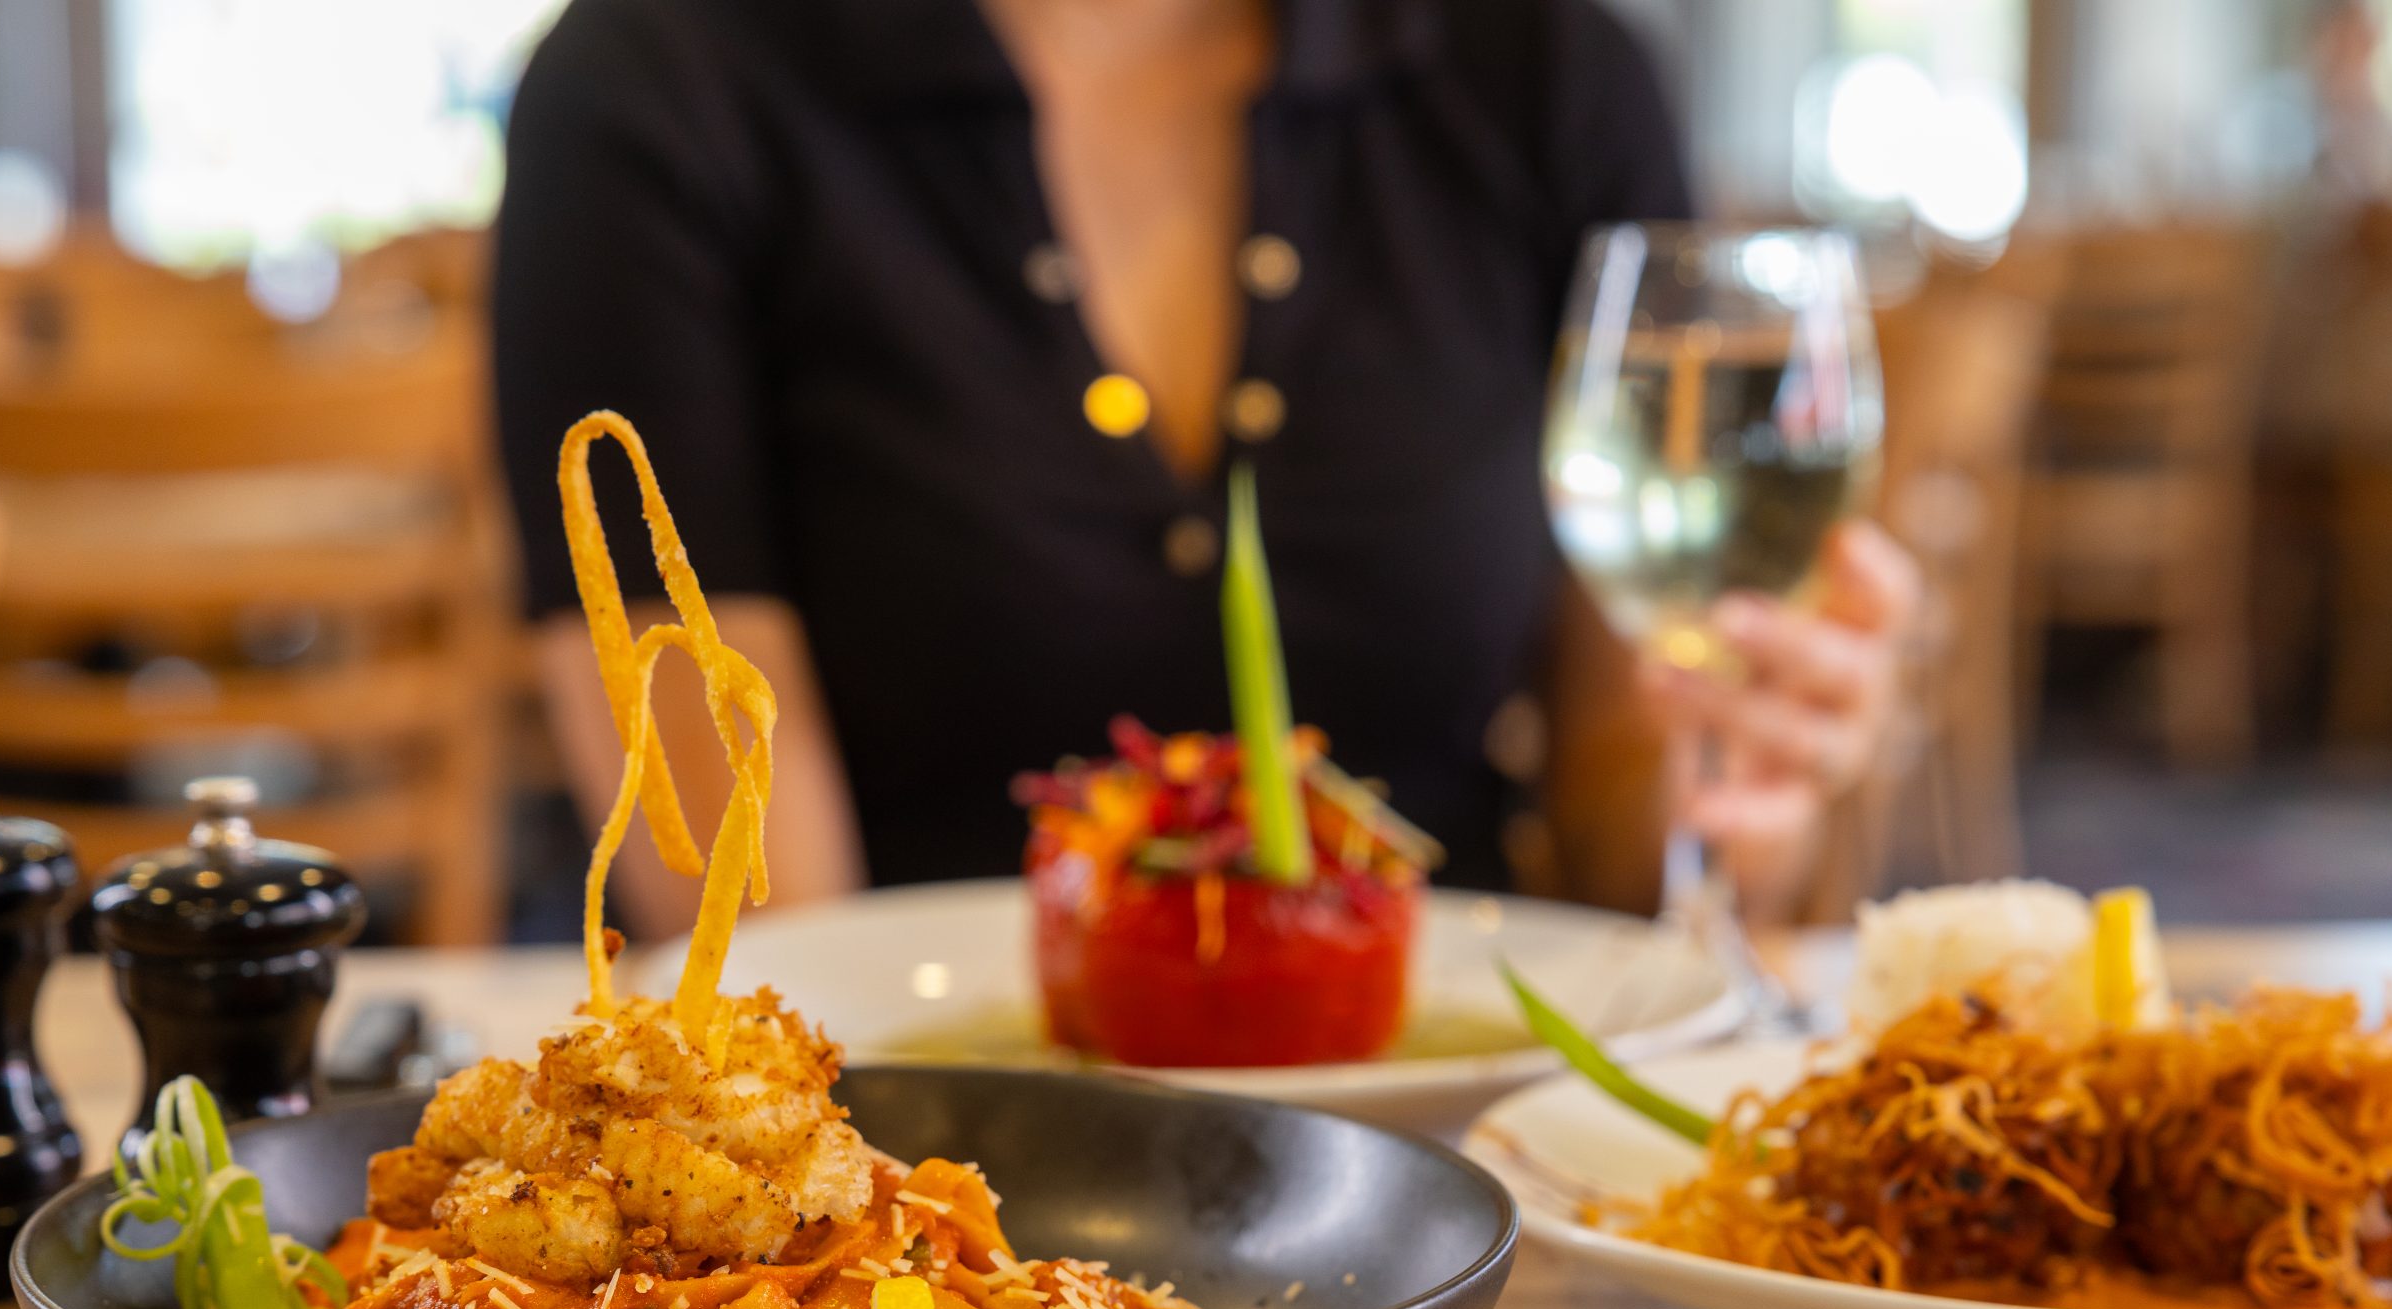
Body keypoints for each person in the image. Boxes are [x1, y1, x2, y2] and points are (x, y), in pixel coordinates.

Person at [493, 0, 1917, 936]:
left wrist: (1752, 784)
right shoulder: (659, 81)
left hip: (1468, 1133)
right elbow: (753, 926)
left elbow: (1630, 859)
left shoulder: (1543, 70)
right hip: (931, 1169)